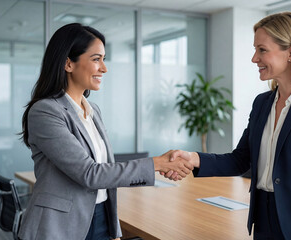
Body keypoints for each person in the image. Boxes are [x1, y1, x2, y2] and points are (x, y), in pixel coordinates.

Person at [165, 12, 291, 240]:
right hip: (263, 218)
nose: (254, 58)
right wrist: (193, 158)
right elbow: (241, 159)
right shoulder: (262, 103)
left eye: (262, 50)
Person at [19, 23, 193, 240]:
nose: (104, 67)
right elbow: (89, 173)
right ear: (68, 64)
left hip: (100, 218)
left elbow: (106, 170)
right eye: (96, 59)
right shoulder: (46, 111)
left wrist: (113, 228)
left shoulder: (93, 111)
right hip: (59, 226)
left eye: (103, 59)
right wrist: (157, 164)